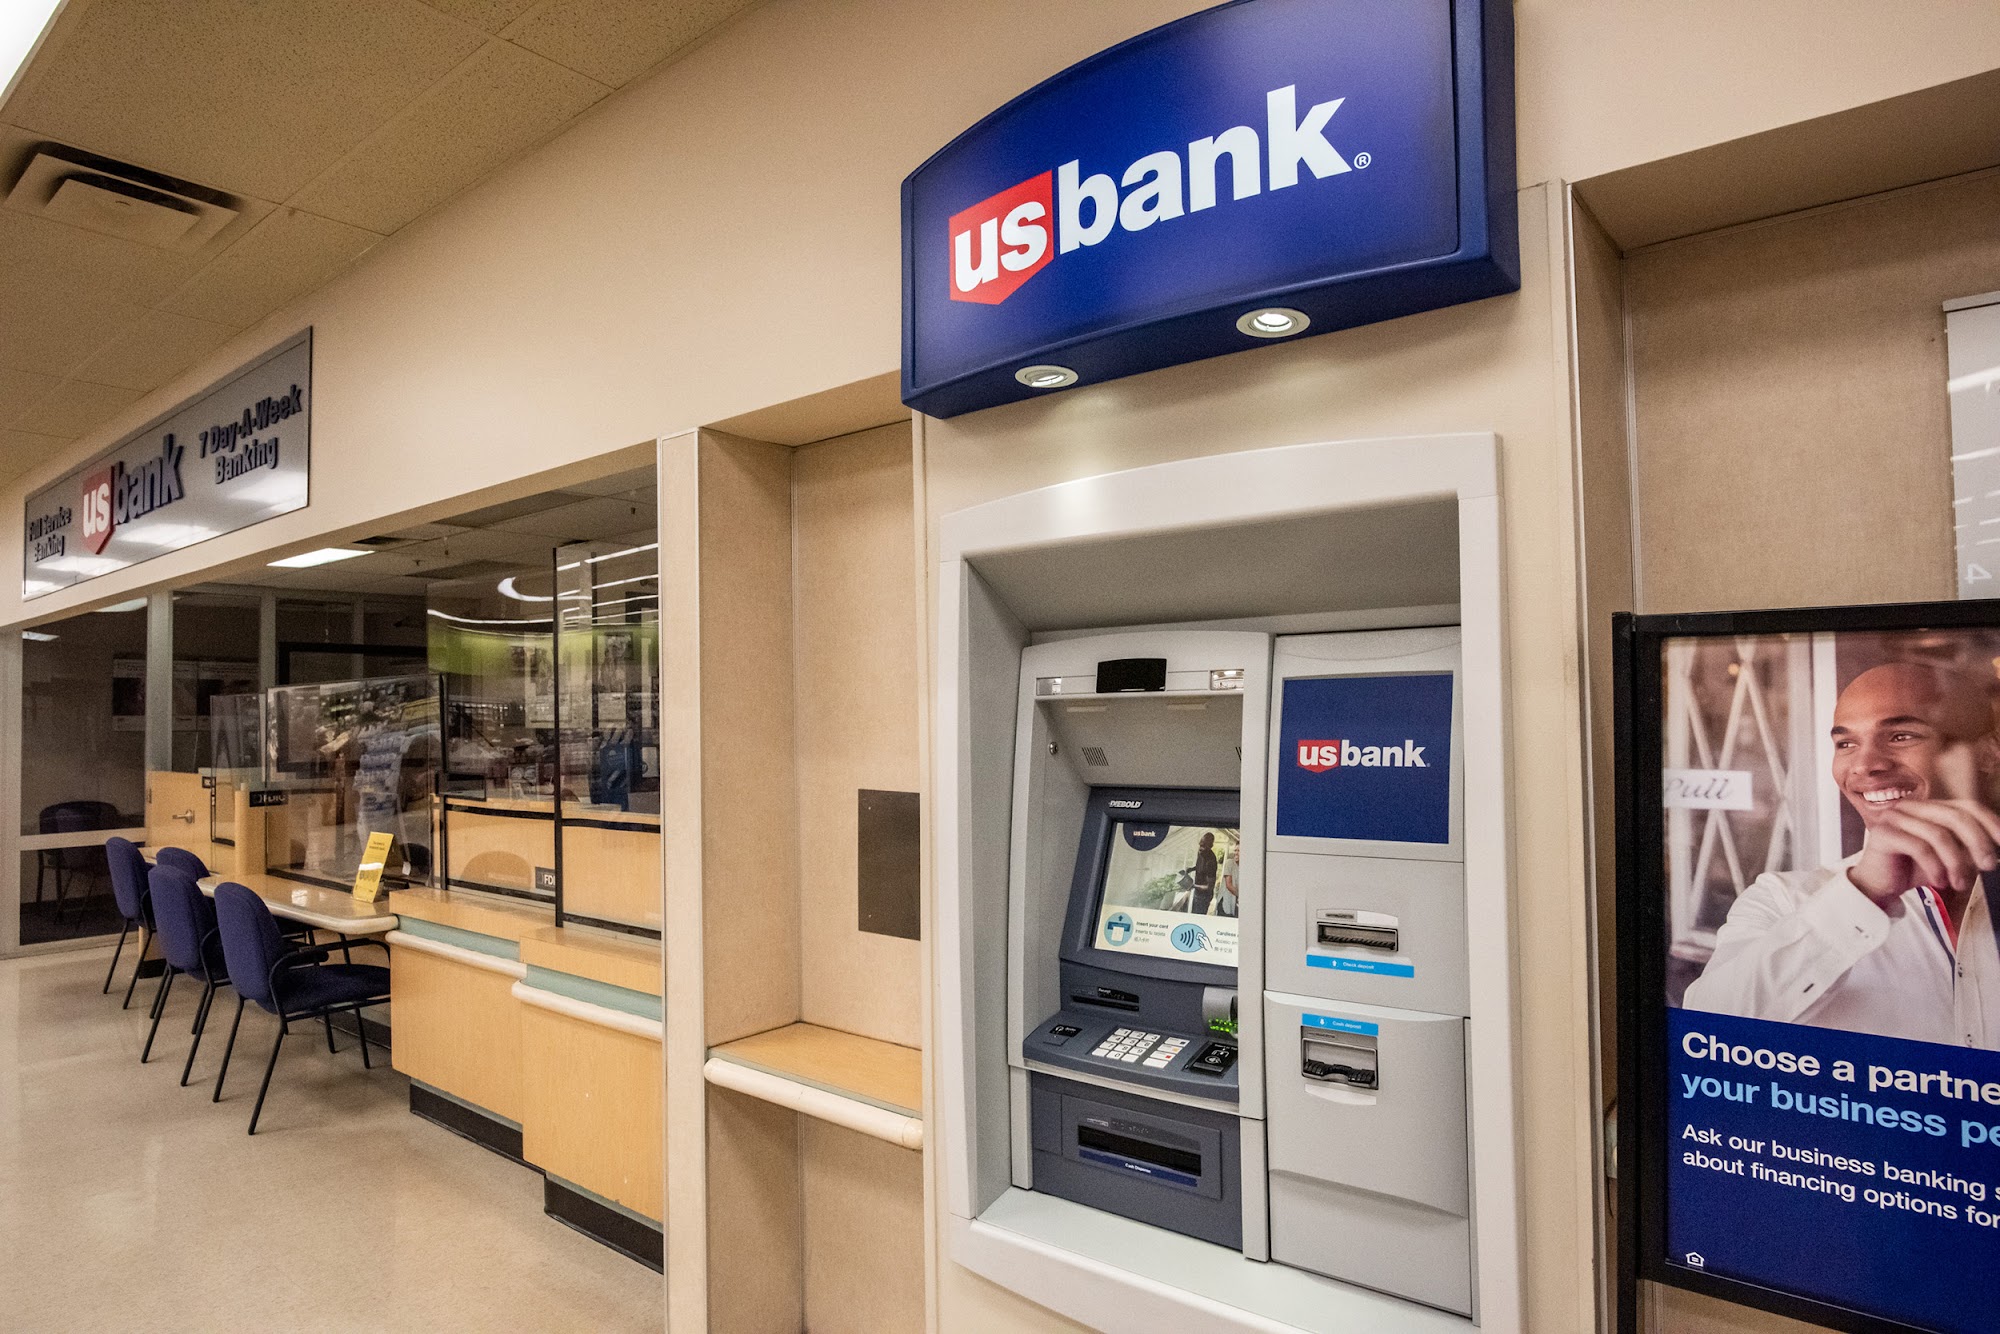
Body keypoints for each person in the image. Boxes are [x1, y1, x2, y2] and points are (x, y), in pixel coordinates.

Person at [1684, 661, 2000, 1049]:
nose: (1864, 766)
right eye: (1846, 744)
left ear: (1988, 754)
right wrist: (1864, 893)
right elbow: (1706, 1037)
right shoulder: (1783, 900)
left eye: (1900, 736)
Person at [1186, 832, 1219, 915]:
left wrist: (1193, 886)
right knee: (1193, 914)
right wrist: (1191, 869)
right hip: (1197, 892)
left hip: (1204, 897)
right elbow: (1200, 867)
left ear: (1210, 846)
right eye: (1200, 845)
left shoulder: (1211, 861)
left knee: (1198, 917)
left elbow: (1209, 887)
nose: (1200, 848)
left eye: (1203, 846)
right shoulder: (1201, 853)